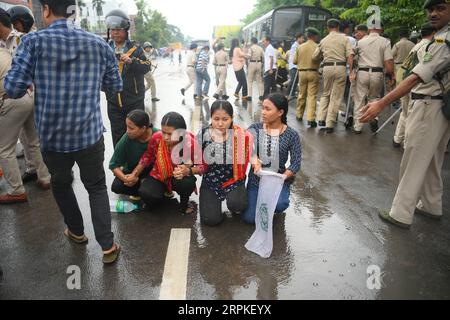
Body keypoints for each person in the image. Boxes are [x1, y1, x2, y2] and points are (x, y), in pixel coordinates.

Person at [4, 0, 123, 263]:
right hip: (89, 134)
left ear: (45, 9)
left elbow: (12, 88)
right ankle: (107, 246)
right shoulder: (98, 44)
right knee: (96, 187)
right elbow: (115, 86)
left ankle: (77, 232)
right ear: (75, 11)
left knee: (61, 183)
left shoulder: (33, 43)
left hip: (52, 137)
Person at [359, 0, 450, 228]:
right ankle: (431, 205)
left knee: (413, 160)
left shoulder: (442, 42)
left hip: (428, 105)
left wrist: (381, 103)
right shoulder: (441, 38)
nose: (433, 13)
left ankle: (400, 213)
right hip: (439, 106)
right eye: (430, 9)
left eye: (440, 8)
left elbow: (414, 77)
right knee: (432, 160)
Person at [0, 9, 51, 204]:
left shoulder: (23, 39)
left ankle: (32, 181)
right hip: (22, 96)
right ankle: (39, 174)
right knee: (29, 138)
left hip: (26, 93)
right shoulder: (3, 44)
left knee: (27, 141)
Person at [242, 93, 301, 224]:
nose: (263, 112)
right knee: (250, 219)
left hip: (277, 181)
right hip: (256, 180)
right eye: (263, 108)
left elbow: (296, 163)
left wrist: (283, 177)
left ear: (280, 112)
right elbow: (244, 148)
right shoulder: (254, 129)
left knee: (280, 204)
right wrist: (254, 159)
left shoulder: (292, 135)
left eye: (268, 109)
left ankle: (272, 204)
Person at [131, 112, 203, 215]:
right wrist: (135, 173)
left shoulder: (190, 143)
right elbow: (147, 156)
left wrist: (188, 171)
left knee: (186, 184)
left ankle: (184, 204)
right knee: (146, 194)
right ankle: (162, 194)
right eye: (163, 132)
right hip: (159, 175)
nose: (165, 137)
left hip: (179, 179)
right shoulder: (156, 138)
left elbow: (203, 167)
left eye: (170, 134)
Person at [197, 100, 252, 226]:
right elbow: (195, 159)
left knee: (238, 205)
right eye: (216, 119)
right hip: (211, 181)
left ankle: (235, 201)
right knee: (210, 220)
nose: (220, 123)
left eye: (225, 119)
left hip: (234, 180)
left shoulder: (241, 135)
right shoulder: (203, 134)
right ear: (211, 117)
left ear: (232, 118)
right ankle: (213, 206)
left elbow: (251, 154)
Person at [104, 9, 151, 147]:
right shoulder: (105, 48)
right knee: (117, 135)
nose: (115, 33)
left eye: (118, 29)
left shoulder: (135, 48)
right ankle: (120, 165)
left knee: (137, 134)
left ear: (126, 30)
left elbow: (147, 66)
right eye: (112, 30)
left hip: (134, 101)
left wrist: (132, 61)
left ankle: (139, 164)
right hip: (113, 101)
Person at [393, 23, 436, 148]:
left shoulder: (417, 45)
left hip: (402, 79)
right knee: (411, 114)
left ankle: (397, 139)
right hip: (411, 82)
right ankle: (407, 144)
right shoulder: (428, 46)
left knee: (405, 112)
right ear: (433, 33)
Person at [312, 19, 354, 133]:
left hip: (327, 67)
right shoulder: (344, 38)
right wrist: (351, 71)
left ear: (327, 27)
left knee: (326, 93)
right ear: (338, 27)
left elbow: (314, 56)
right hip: (340, 67)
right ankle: (330, 123)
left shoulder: (324, 40)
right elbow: (350, 56)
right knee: (335, 96)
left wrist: (323, 56)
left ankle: (321, 118)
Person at [352, 23, 394, 134]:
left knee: (359, 99)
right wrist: (391, 75)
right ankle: (374, 119)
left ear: (369, 28)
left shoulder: (360, 42)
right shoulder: (385, 41)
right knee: (374, 98)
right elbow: (388, 61)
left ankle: (358, 126)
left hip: (362, 72)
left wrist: (352, 70)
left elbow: (353, 56)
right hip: (377, 73)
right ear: (381, 29)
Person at [110, 110, 157, 199]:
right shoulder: (126, 139)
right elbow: (113, 165)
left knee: (151, 195)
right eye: (127, 127)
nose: (128, 131)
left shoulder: (158, 136)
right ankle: (139, 191)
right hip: (133, 171)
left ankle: (152, 189)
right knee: (117, 186)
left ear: (143, 128)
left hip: (154, 173)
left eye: (131, 128)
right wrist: (126, 179)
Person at [294, 27, 321, 128]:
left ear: (307, 36)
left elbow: (294, 61)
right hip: (313, 72)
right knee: (312, 96)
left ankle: (299, 115)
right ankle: (310, 119)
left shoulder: (300, 47)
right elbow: (321, 58)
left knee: (302, 94)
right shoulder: (317, 46)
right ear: (314, 36)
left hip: (301, 73)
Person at [286, 33, 304, 99]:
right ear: (298, 38)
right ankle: (288, 94)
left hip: (297, 66)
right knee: (293, 80)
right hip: (294, 66)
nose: (303, 39)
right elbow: (295, 57)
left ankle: (292, 93)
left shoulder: (299, 45)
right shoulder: (295, 46)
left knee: (296, 81)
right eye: (302, 38)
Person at [247, 37, 265, 102]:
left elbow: (249, 56)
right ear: (257, 42)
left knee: (250, 80)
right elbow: (263, 56)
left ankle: (249, 96)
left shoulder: (251, 48)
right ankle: (261, 95)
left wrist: (245, 56)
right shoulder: (260, 48)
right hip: (259, 63)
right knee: (259, 81)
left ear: (252, 42)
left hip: (252, 63)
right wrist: (262, 64)